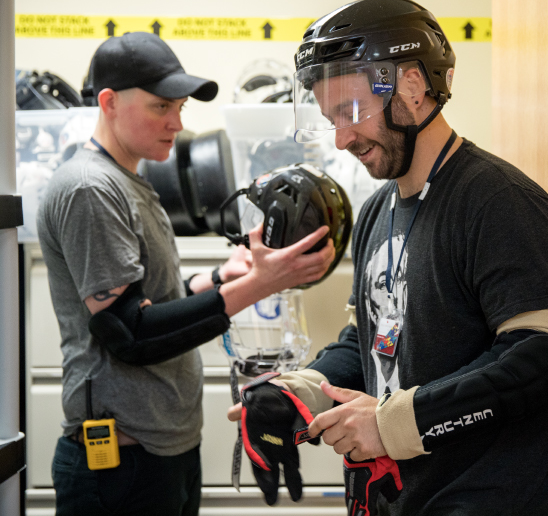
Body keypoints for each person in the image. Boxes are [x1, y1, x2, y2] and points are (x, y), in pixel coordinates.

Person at [229, 0, 548, 515]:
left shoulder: (497, 200)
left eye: (351, 112)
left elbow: (542, 358)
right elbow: (367, 338)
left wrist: (392, 425)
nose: (343, 137)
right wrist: (300, 392)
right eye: (331, 118)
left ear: (413, 87)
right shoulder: (377, 210)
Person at [37, 31, 335, 516]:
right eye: (161, 107)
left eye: (180, 108)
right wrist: (262, 284)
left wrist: (224, 278)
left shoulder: (131, 179)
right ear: (109, 102)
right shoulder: (91, 189)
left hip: (164, 446)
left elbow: (156, 297)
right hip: (120, 464)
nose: (177, 123)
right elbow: (130, 332)